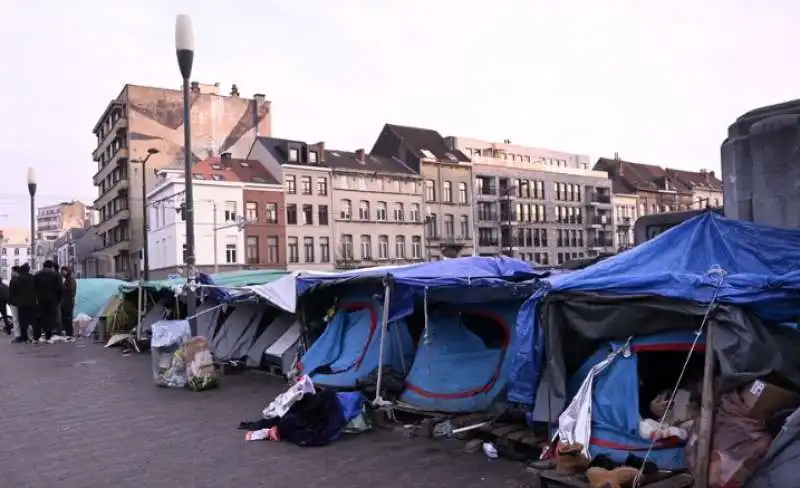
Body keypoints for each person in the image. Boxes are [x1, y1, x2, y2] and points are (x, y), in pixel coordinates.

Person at [34, 260, 64, 344]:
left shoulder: (37, 275)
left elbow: (34, 288)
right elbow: (60, 289)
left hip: (40, 300)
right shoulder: (55, 276)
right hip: (52, 300)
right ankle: (48, 336)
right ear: (51, 267)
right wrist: (58, 300)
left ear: (43, 266)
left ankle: (36, 337)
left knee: (39, 318)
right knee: (50, 319)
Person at [10, 263, 36, 344]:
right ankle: (34, 336)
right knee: (32, 320)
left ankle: (24, 337)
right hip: (32, 302)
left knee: (22, 321)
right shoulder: (33, 278)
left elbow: (13, 291)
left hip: (21, 303)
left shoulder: (17, 279)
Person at [60, 266, 77, 341]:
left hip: (69, 300)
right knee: (65, 317)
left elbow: (71, 289)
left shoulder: (71, 280)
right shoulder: (66, 279)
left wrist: (62, 287)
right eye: (62, 271)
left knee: (68, 317)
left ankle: (69, 332)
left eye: (64, 271)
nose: (63, 272)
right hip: (65, 301)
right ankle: (67, 332)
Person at [7, 266, 20, 337]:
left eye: (12, 271)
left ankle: (17, 335)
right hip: (20, 302)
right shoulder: (21, 279)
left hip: (14, 302)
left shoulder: (13, 280)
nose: (11, 273)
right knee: (19, 318)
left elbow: (11, 292)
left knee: (15, 319)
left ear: (15, 271)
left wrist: (9, 301)